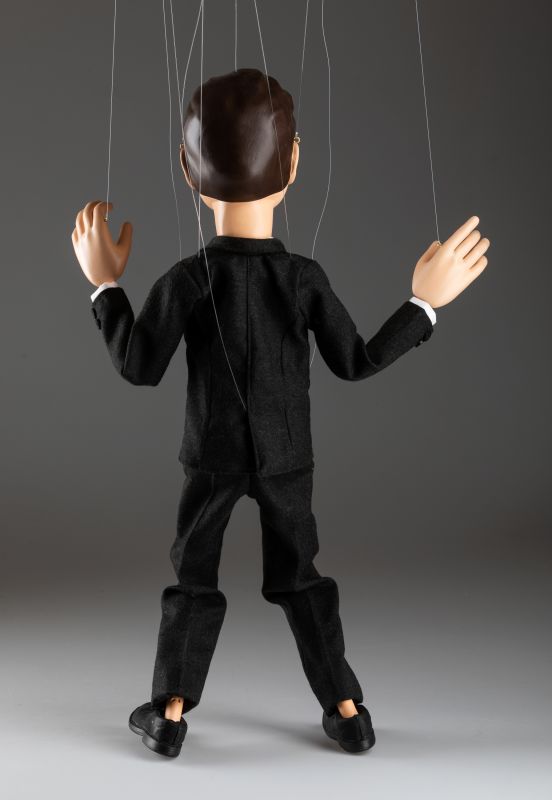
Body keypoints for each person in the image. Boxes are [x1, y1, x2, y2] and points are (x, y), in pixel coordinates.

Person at [72, 68, 489, 757]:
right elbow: (357, 361)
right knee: (301, 578)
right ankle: (347, 709)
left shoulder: (188, 278)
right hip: (288, 456)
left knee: (194, 577)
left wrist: (104, 287)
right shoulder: (302, 278)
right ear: (293, 163)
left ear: (187, 170)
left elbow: (138, 366)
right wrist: (423, 304)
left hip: (210, 457)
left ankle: (170, 711)